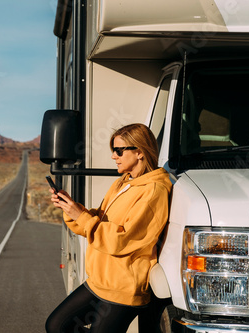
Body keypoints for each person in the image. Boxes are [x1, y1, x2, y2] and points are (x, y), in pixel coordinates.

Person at [45, 123, 172, 333]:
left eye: (119, 151)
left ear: (139, 152)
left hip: (123, 287)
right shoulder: (123, 182)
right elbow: (99, 221)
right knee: (56, 325)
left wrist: (81, 216)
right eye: (113, 150)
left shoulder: (154, 192)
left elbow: (123, 240)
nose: (114, 156)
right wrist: (72, 209)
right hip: (100, 281)